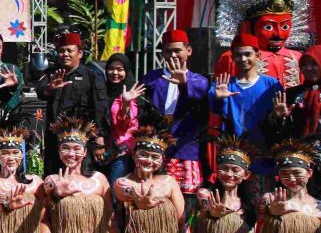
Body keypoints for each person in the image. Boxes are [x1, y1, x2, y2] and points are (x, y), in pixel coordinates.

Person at [213, 0, 318, 87]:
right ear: (247, 27)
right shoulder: (233, 58)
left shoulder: (298, 58)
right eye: (268, 27)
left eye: (285, 26)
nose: (278, 34)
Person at [138, 30, 211, 200]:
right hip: (155, 149)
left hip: (186, 148)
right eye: (168, 51)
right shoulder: (151, 78)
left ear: (188, 50)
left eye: (177, 50)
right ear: (163, 53)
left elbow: (199, 99)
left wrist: (184, 83)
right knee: (153, 197)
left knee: (186, 199)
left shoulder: (199, 80)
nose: (173, 55)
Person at [211, 34, 284, 199]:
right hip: (232, 156)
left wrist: (280, 116)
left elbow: (278, 122)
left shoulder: (272, 85)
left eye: (247, 54)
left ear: (258, 55)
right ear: (232, 57)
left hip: (262, 155)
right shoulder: (224, 84)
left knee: (262, 202)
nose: (243, 59)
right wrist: (218, 98)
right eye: (238, 54)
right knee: (233, 203)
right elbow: (215, 111)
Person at [36, 32, 109, 177]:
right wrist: (50, 88)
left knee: (83, 178)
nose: (65, 54)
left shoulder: (92, 76)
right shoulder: (52, 74)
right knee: (54, 178)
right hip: (56, 140)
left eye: (70, 50)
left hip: (83, 140)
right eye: (62, 51)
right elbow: (40, 91)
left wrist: (99, 138)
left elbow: (100, 108)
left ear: (80, 53)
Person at [265, 45, 321, 144]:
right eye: (304, 64)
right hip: (300, 149)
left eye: (314, 63)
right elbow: (281, 132)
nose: (308, 68)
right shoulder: (292, 93)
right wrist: (280, 118)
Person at [105, 53, 143, 186]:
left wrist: (126, 103)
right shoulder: (103, 90)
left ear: (126, 71)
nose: (115, 73)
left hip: (122, 152)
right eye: (111, 68)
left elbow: (126, 124)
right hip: (104, 150)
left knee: (116, 188)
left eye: (119, 69)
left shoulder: (132, 93)